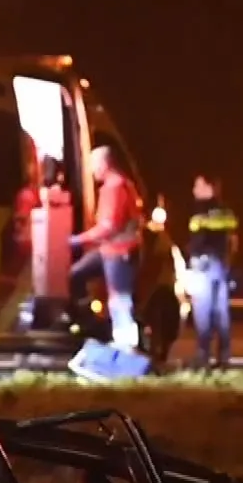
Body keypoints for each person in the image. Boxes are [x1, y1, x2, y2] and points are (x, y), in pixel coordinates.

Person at [68, 145, 143, 350]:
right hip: (110, 250)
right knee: (76, 273)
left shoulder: (114, 188)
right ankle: (87, 319)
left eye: (93, 165)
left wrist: (78, 240)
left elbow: (108, 227)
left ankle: (126, 348)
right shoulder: (121, 184)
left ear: (104, 164)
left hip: (120, 252)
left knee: (119, 300)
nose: (91, 171)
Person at [183, 173, 238, 369]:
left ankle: (203, 355)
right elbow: (233, 238)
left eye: (198, 185)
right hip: (219, 266)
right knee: (220, 312)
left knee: (203, 312)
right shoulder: (224, 211)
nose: (194, 190)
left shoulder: (206, 211)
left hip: (205, 266)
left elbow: (200, 239)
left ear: (209, 187)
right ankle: (223, 356)